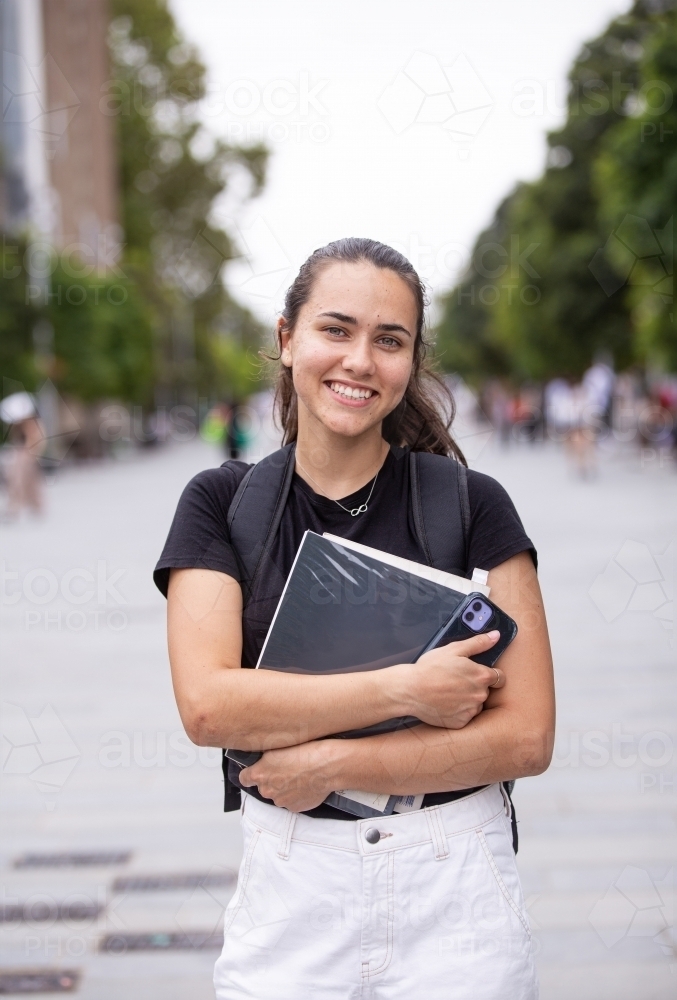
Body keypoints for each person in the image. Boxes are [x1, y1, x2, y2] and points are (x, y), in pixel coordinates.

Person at [154, 239, 555, 1000]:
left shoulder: (475, 504)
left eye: (389, 340)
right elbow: (210, 706)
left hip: (455, 889)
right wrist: (408, 690)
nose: (360, 361)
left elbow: (527, 736)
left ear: (410, 362)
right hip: (291, 894)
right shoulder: (219, 504)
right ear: (286, 340)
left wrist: (332, 764)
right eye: (335, 330)